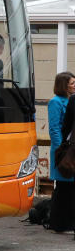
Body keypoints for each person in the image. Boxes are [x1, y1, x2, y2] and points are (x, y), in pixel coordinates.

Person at [52, 71, 75, 232]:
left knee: (68, 188)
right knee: (63, 187)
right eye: (72, 82)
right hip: (64, 150)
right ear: (64, 85)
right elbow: (55, 128)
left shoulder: (70, 100)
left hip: (69, 149)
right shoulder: (56, 102)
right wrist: (62, 148)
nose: (74, 85)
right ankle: (59, 222)